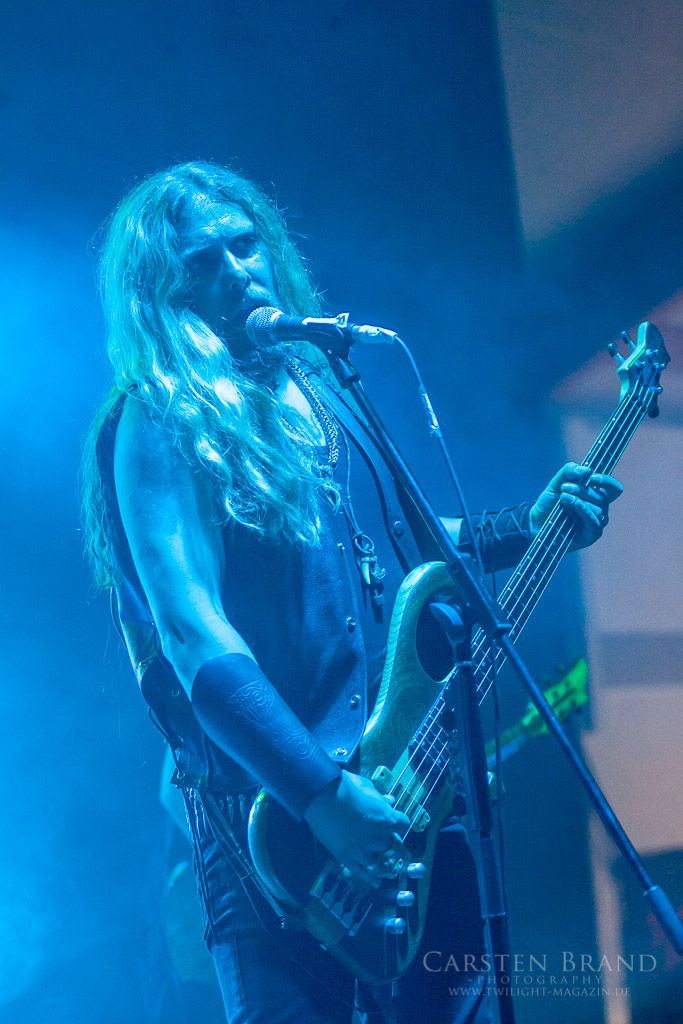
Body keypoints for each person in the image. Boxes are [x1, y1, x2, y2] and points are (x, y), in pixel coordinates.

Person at [81, 161, 622, 1024]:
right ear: (161, 295)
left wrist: (528, 523)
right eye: (201, 264)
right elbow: (190, 630)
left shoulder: (321, 391)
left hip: (407, 798)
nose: (237, 273)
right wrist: (319, 794)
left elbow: (407, 539)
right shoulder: (159, 418)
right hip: (281, 837)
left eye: (245, 246)